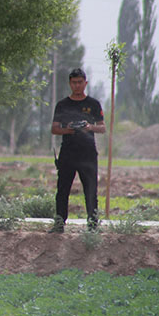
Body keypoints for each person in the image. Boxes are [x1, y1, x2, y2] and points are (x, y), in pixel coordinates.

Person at [49, 68, 105, 233]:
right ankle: (59, 224)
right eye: (74, 82)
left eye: (80, 82)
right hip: (68, 152)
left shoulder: (93, 104)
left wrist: (88, 127)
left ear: (85, 83)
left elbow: (102, 128)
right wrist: (70, 129)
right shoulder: (62, 105)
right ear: (70, 84)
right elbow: (54, 129)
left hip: (87, 153)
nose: (77, 85)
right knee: (63, 190)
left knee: (90, 190)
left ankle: (93, 225)